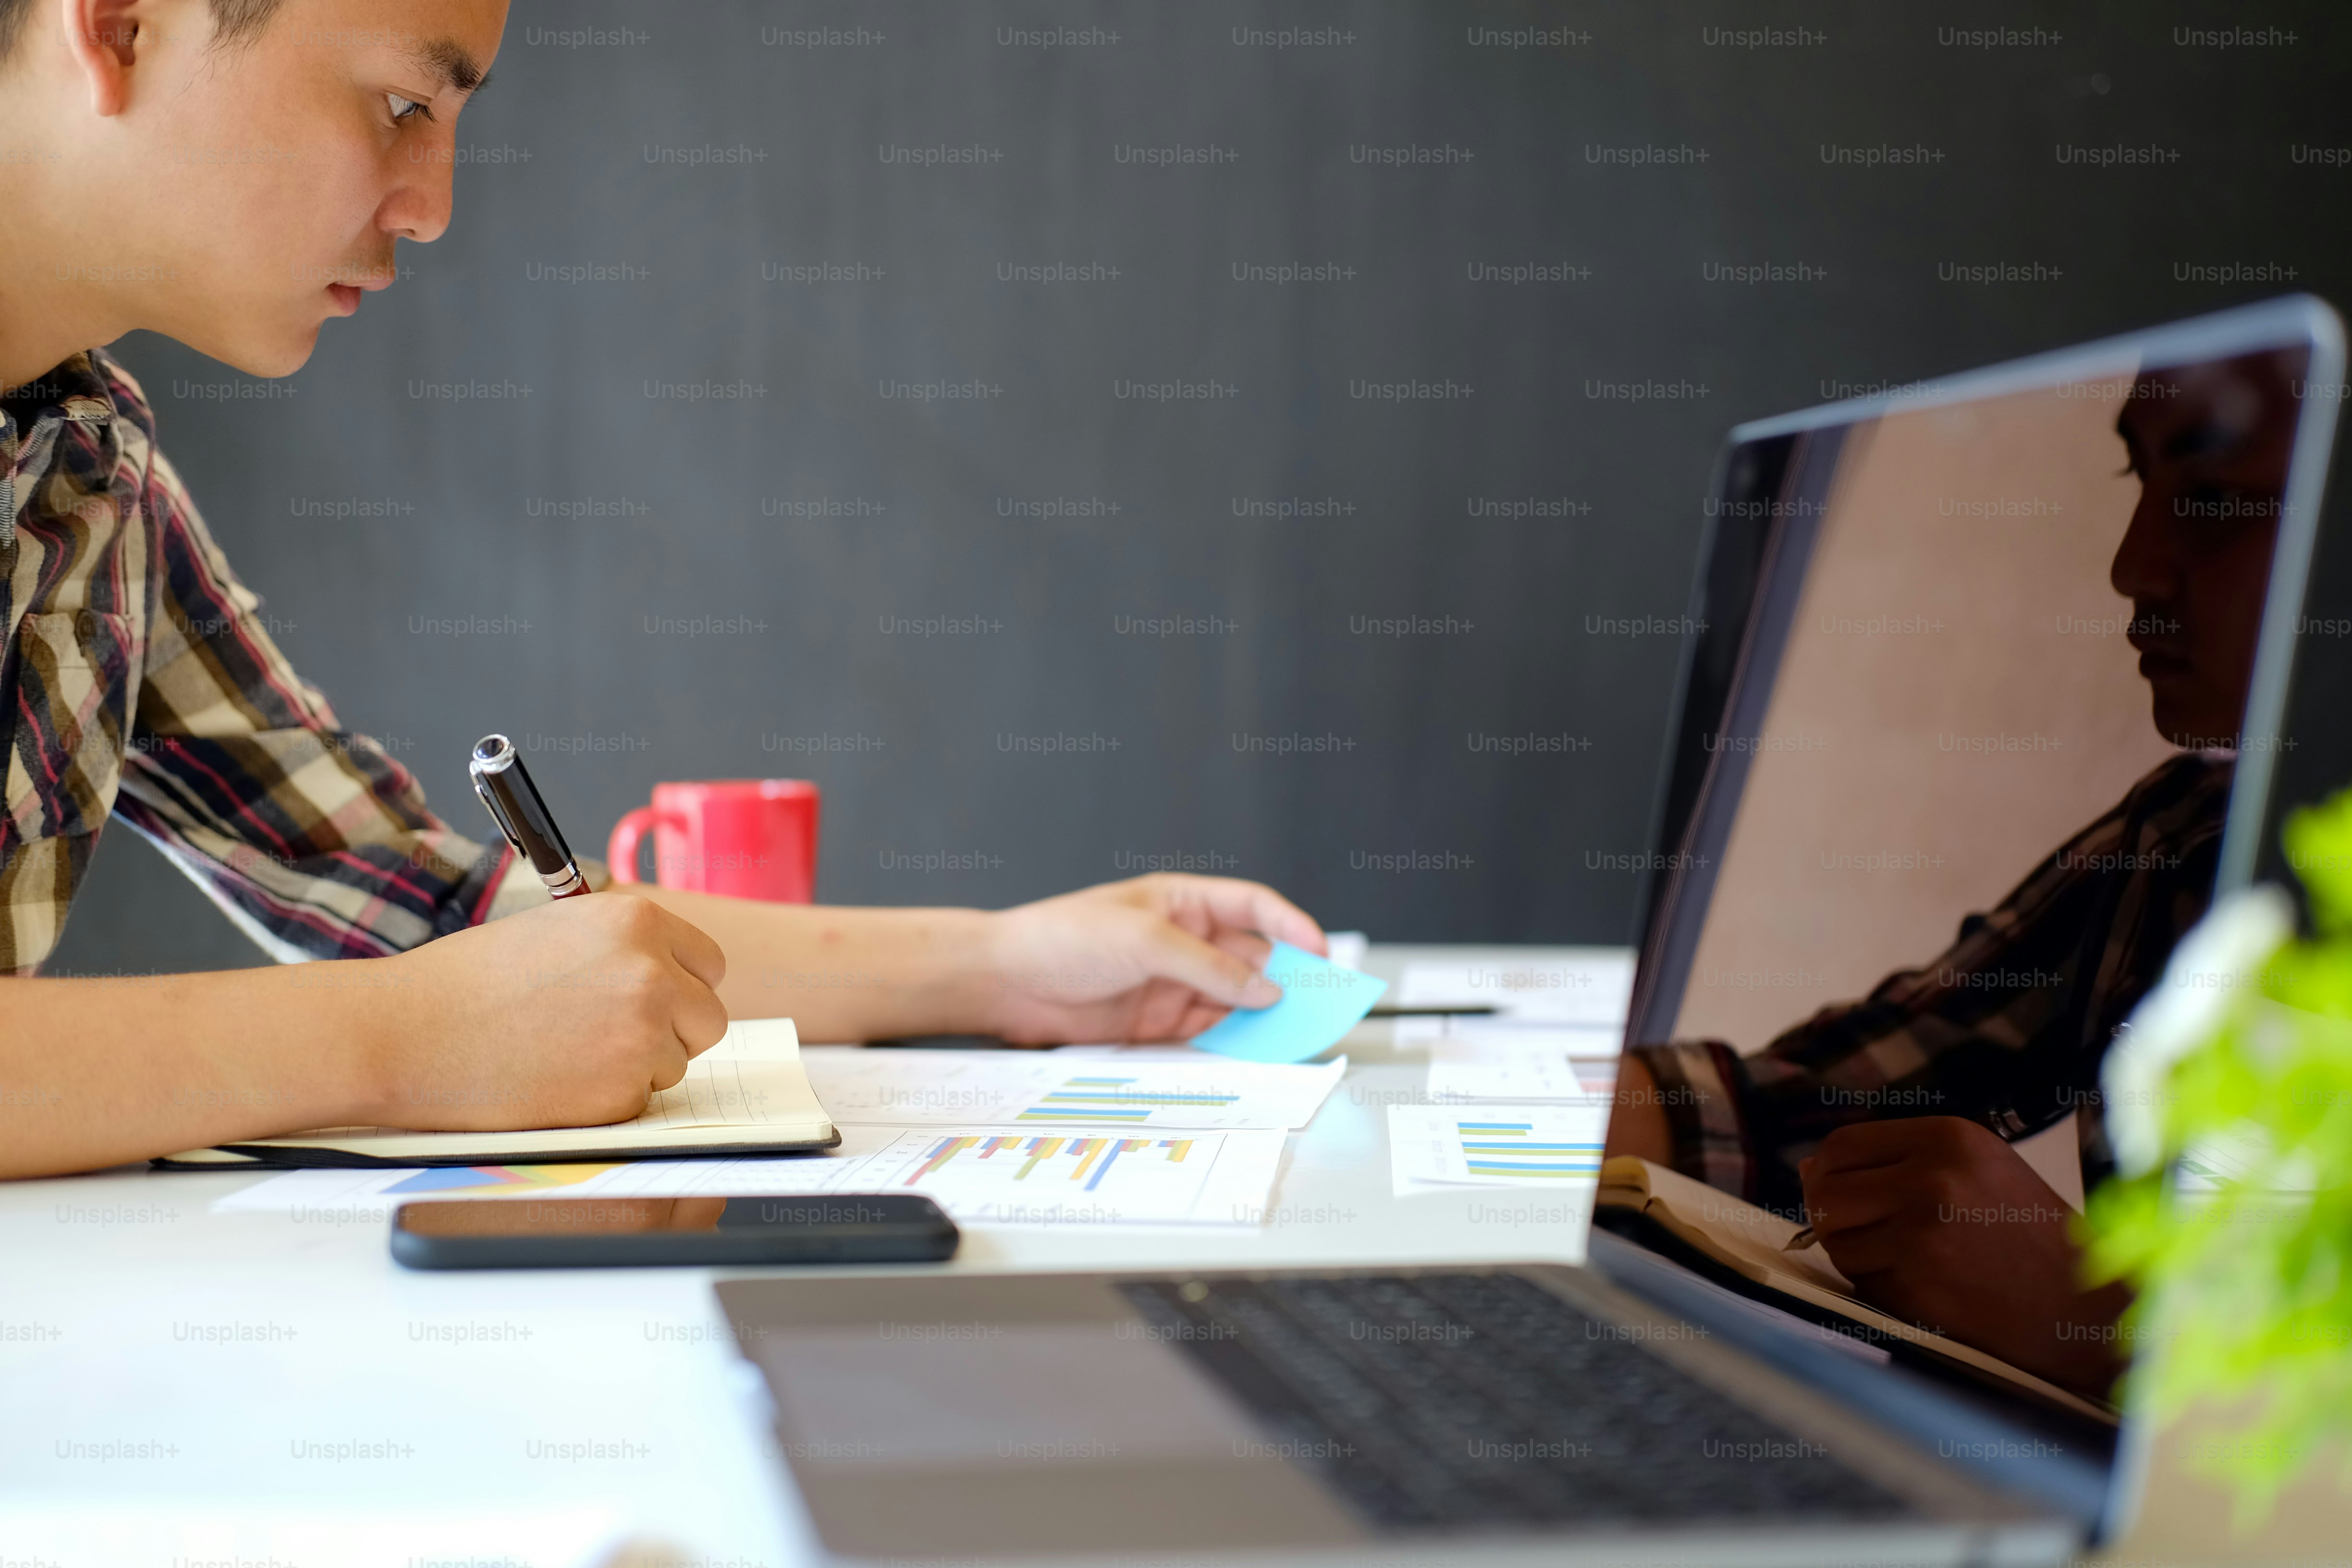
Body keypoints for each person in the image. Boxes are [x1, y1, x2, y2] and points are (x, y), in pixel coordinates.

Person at [0, 0, 1324, 1179]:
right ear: (119, 28)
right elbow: (431, 994)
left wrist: (1005, 967)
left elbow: (416, 906)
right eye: (403, 104)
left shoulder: (85, 466)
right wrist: (399, 1042)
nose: (433, 206)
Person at [1605, 347, 2302, 1400]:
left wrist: (2102, 1323)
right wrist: (1479, 1098)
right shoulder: (2188, 835)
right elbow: (1817, 1100)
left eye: (2212, 498)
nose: (2134, 565)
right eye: (2140, 483)